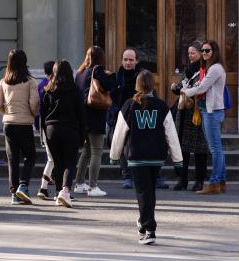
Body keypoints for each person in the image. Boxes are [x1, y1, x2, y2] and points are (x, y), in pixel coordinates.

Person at [110, 70, 183, 245]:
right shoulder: (161, 105)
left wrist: (114, 155)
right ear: (152, 85)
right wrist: (177, 159)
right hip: (156, 156)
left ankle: (149, 229)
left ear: (137, 85)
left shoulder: (129, 105)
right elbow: (171, 134)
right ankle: (144, 223)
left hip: (137, 156)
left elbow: (119, 132)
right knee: (149, 191)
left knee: (143, 192)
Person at [110, 48, 169, 190]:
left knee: (153, 143)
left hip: (144, 116)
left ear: (136, 61)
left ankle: (156, 176)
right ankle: (127, 176)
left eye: (131, 60)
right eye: (125, 59)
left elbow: (151, 95)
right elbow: (112, 98)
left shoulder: (143, 76)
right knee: (124, 145)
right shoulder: (117, 77)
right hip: (124, 116)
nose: (128, 62)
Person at [0, 49, 40, 205]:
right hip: (24, 123)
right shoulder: (30, 81)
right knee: (30, 156)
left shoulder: (3, 81)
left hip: (9, 124)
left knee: (12, 159)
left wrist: (5, 113)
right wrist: (33, 114)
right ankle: (23, 185)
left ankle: (14, 193)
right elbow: (34, 103)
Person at [183, 40, 228, 195]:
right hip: (209, 111)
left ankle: (215, 182)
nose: (204, 53)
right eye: (202, 50)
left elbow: (202, 87)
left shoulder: (215, 68)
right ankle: (221, 181)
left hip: (212, 112)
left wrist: (185, 91)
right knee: (217, 148)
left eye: (207, 50)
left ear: (214, 52)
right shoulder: (210, 68)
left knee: (215, 149)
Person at [41, 60, 86, 208]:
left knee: (58, 163)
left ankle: (58, 192)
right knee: (70, 163)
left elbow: (43, 113)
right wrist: (83, 135)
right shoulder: (75, 90)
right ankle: (65, 191)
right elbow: (81, 114)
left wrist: (44, 131)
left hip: (51, 129)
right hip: (70, 129)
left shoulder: (48, 90)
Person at [73, 46, 115, 197]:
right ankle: (93, 186)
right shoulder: (97, 71)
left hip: (82, 116)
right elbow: (111, 84)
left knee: (87, 150)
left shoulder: (80, 72)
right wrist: (111, 75)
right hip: (95, 114)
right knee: (97, 151)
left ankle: (79, 183)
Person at [170, 42, 209, 192]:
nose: (190, 56)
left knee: (200, 149)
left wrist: (182, 89)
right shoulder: (188, 70)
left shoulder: (204, 70)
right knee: (182, 149)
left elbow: (197, 89)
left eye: (193, 53)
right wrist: (176, 88)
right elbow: (183, 87)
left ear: (200, 53)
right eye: (189, 53)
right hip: (184, 112)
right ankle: (182, 179)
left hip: (196, 112)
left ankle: (199, 180)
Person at [35, 60, 56, 200]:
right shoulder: (54, 85)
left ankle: (44, 187)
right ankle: (47, 187)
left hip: (44, 126)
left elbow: (38, 110)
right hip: (53, 126)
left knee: (51, 159)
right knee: (54, 160)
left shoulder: (41, 85)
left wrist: (38, 126)